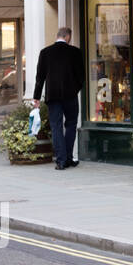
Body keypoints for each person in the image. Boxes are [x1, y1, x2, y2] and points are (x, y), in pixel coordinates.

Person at [32, 27, 85, 171]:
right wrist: (74, 89)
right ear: (68, 37)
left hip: (53, 96)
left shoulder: (45, 53)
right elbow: (81, 77)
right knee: (71, 124)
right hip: (70, 96)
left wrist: (36, 97)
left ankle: (61, 161)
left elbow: (40, 78)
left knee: (56, 126)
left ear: (58, 36)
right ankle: (68, 157)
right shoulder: (75, 52)